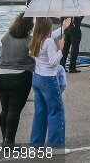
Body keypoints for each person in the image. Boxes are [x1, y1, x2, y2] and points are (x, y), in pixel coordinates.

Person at [29, 17, 70, 150]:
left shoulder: (36, 39)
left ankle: (35, 146)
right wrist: (60, 50)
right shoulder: (49, 42)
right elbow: (53, 62)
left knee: (40, 113)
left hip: (37, 78)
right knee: (56, 112)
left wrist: (63, 27)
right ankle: (56, 147)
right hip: (48, 79)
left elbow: (52, 35)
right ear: (47, 28)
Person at [0, 14, 33, 145]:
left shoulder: (6, 36)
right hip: (19, 77)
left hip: (0, 76)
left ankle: (4, 139)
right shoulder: (29, 40)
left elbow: (4, 43)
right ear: (29, 26)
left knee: (5, 109)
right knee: (14, 110)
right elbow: (36, 55)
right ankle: (10, 142)